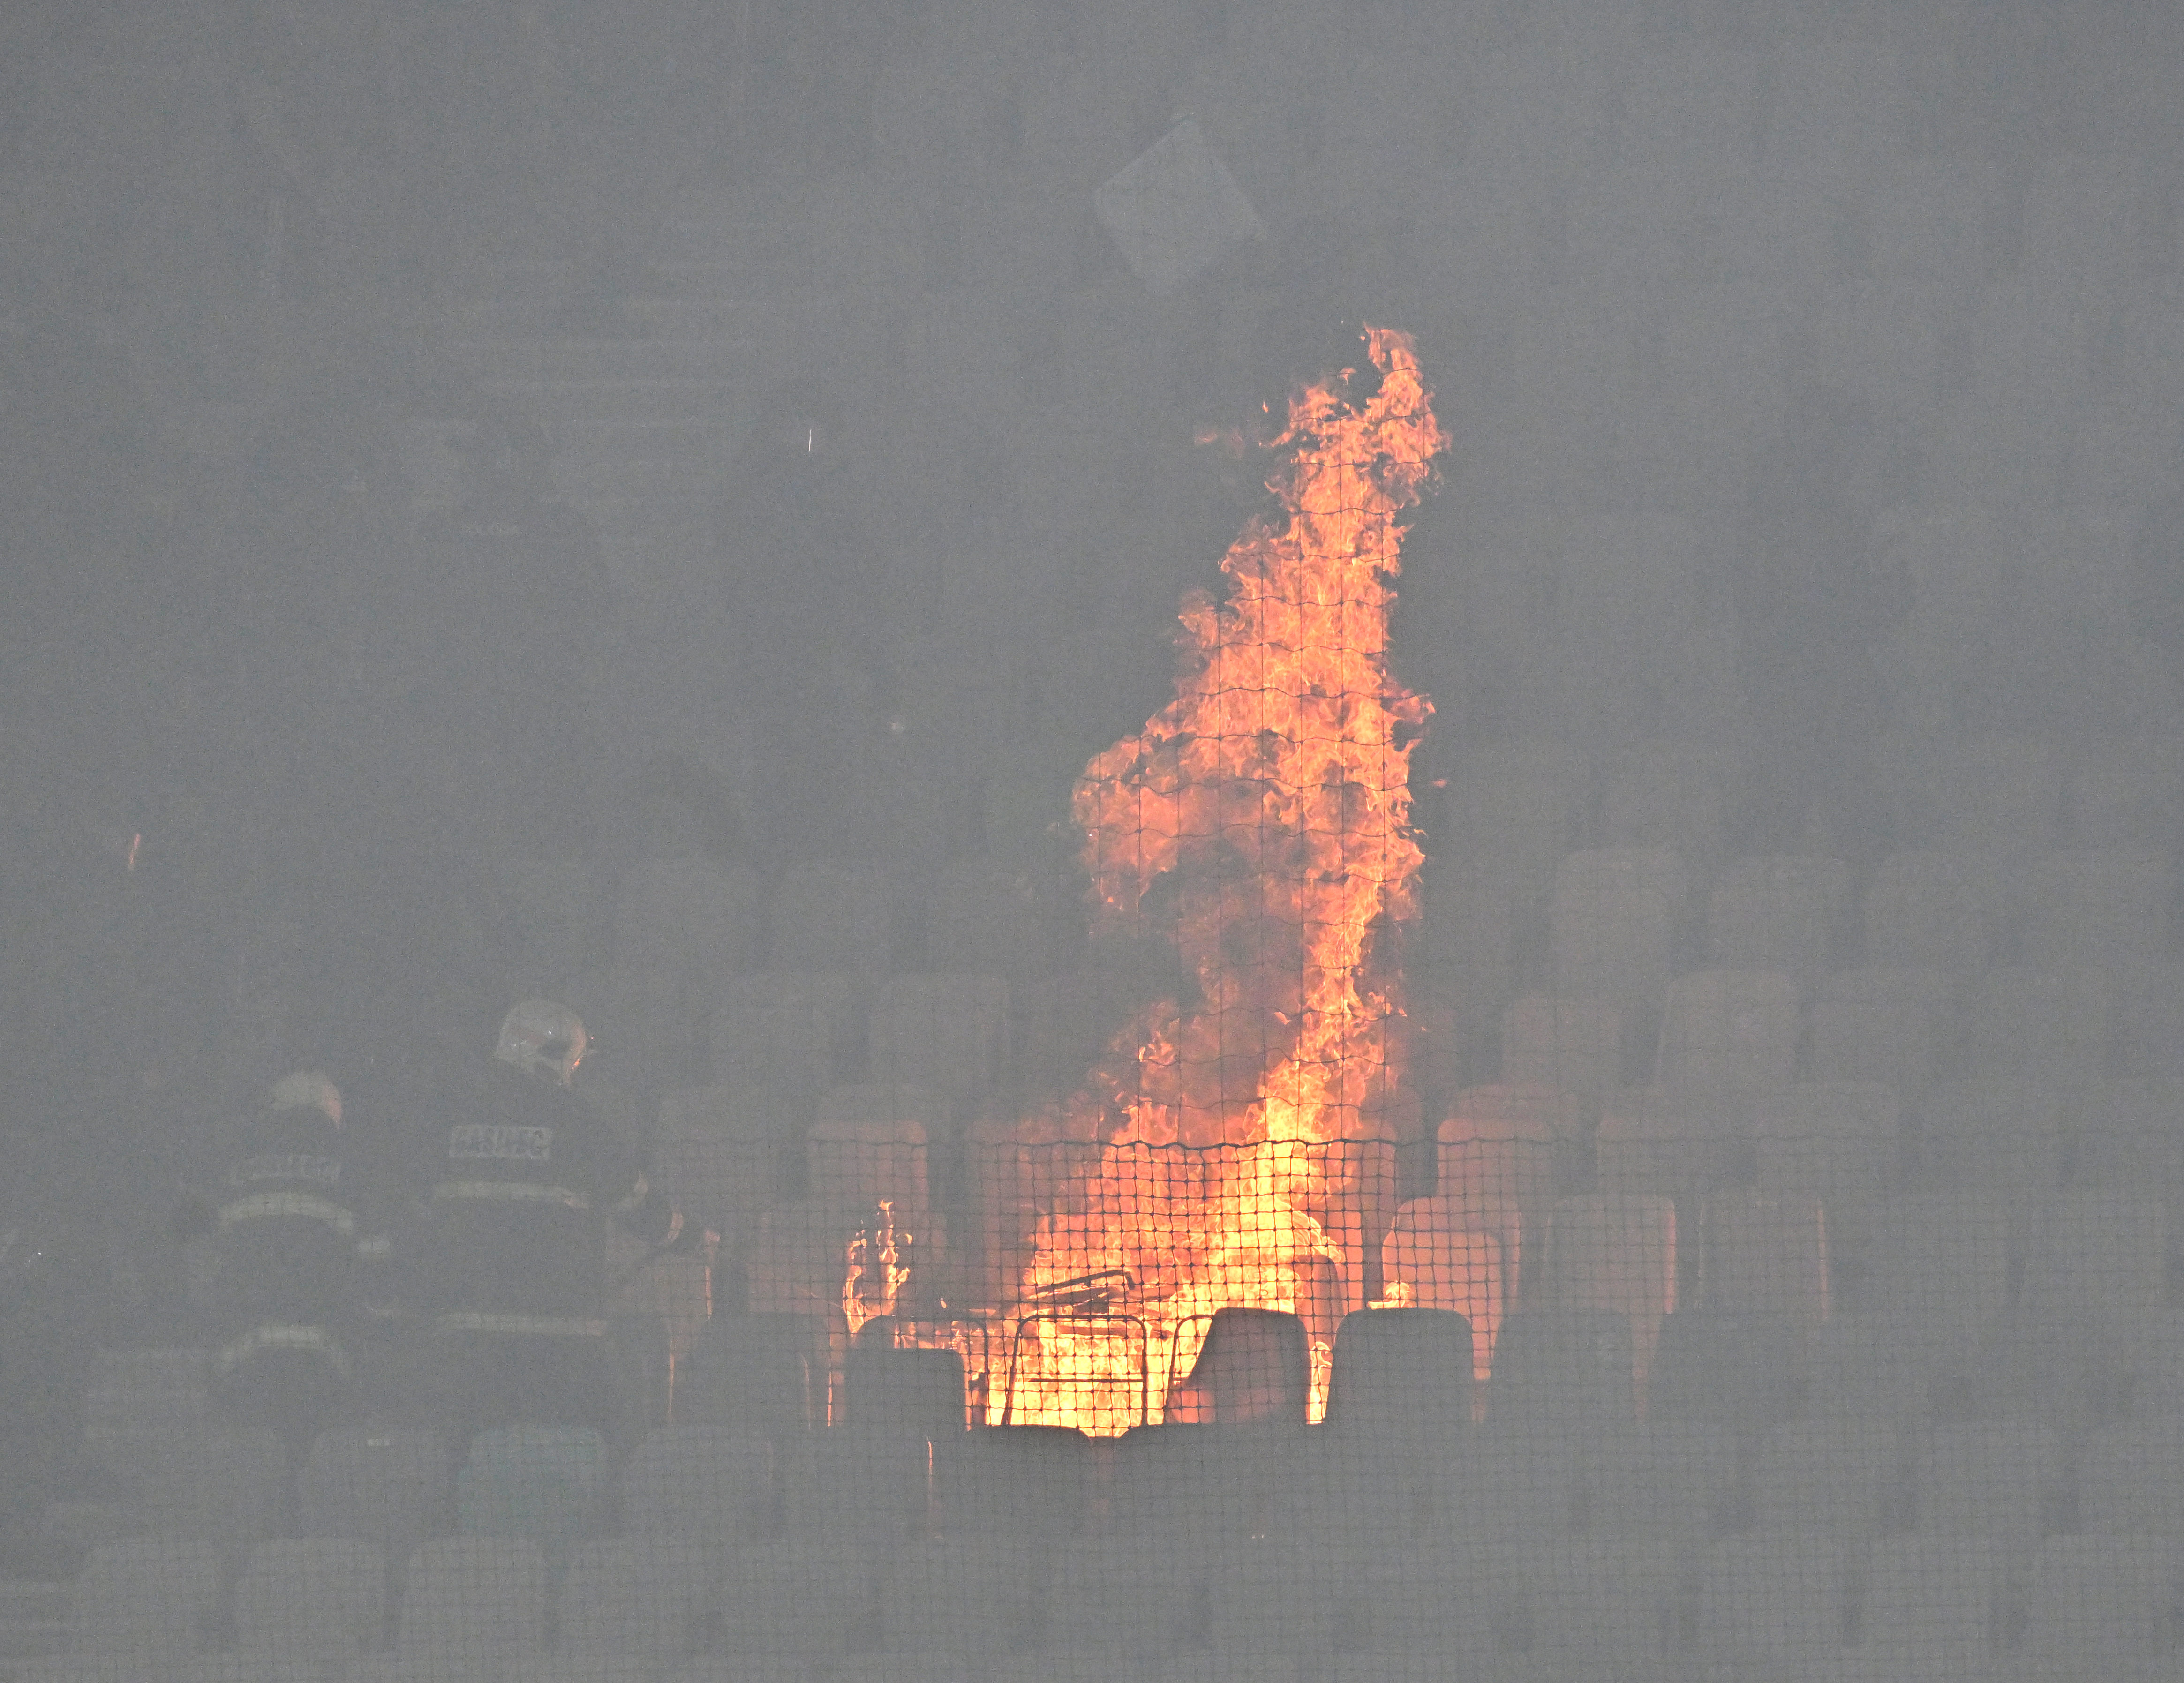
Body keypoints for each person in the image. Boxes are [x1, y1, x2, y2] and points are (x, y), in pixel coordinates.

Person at [408, 1000, 682, 1442]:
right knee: (588, 1445)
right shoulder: (577, 1121)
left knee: (469, 1452)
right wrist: (690, 1236)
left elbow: (418, 1209)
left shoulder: (448, 1121)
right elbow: (635, 1203)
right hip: (563, 1342)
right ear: (555, 1059)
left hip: (468, 1346)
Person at [200, 1071, 360, 1465]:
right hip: (322, 1362)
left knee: (251, 1468)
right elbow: (368, 1263)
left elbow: (207, 1264)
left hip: (243, 1359)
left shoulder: (236, 1172)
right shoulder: (345, 1175)